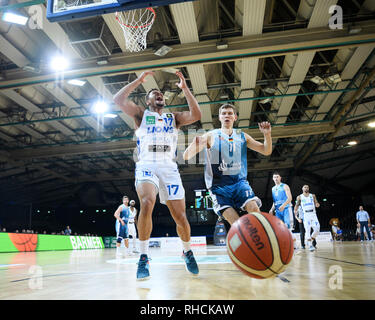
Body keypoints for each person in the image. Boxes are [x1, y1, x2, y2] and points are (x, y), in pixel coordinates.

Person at [113, 70, 201, 280]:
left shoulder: (174, 118)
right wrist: (139, 81)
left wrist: (186, 89)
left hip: (169, 166)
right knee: (147, 201)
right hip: (147, 164)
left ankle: (187, 251)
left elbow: (196, 115)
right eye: (154, 93)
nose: (159, 95)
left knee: (180, 216)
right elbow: (117, 99)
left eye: (161, 93)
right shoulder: (141, 114)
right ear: (148, 100)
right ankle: (143, 256)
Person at [183, 103, 272, 225]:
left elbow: (266, 150)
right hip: (219, 187)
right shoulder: (210, 136)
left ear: (235, 117)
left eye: (230, 113)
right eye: (223, 113)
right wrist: (193, 144)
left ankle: (263, 240)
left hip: (239, 183)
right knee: (237, 223)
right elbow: (186, 156)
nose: (227, 116)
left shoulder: (242, 135)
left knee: (255, 210)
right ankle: (244, 242)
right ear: (219, 117)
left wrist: (267, 135)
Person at [269, 172, 296, 248]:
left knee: (288, 227)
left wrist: (283, 205)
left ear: (280, 178)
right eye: (274, 177)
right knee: (280, 228)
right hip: (278, 211)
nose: (276, 178)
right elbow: (275, 201)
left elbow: (290, 198)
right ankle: (284, 244)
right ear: (273, 179)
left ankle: (294, 246)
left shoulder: (285, 186)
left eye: (277, 177)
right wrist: (271, 210)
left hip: (287, 208)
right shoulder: (273, 189)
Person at [294, 185, 320, 251]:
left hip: (313, 214)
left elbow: (316, 202)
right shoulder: (299, 197)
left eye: (307, 187)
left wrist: (317, 204)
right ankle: (310, 245)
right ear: (302, 189)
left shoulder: (313, 195)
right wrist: (295, 213)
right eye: (305, 187)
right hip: (306, 215)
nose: (306, 188)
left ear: (309, 188)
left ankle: (310, 240)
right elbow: (296, 205)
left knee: (317, 229)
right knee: (307, 230)